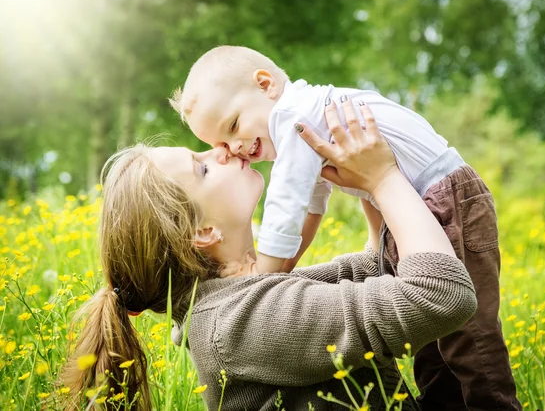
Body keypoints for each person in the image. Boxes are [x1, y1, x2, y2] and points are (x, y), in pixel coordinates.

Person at [60, 101, 477, 410]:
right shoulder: (240, 322)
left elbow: (374, 275)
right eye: (202, 168)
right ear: (203, 232)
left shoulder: (240, 299)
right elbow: (438, 293)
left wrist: (368, 189)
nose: (220, 150)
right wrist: (384, 179)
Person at [170, 45, 521, 410]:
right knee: (436, 347)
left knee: (471, 343)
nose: (235, 148)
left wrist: (265, 270)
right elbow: (310, 208)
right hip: (426, 202)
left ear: (265, 84)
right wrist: (278, 271)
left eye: (233, 126)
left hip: (445, 195)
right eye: (222, 143)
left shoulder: (295, 118)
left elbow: (287, 202)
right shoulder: (309, 120)